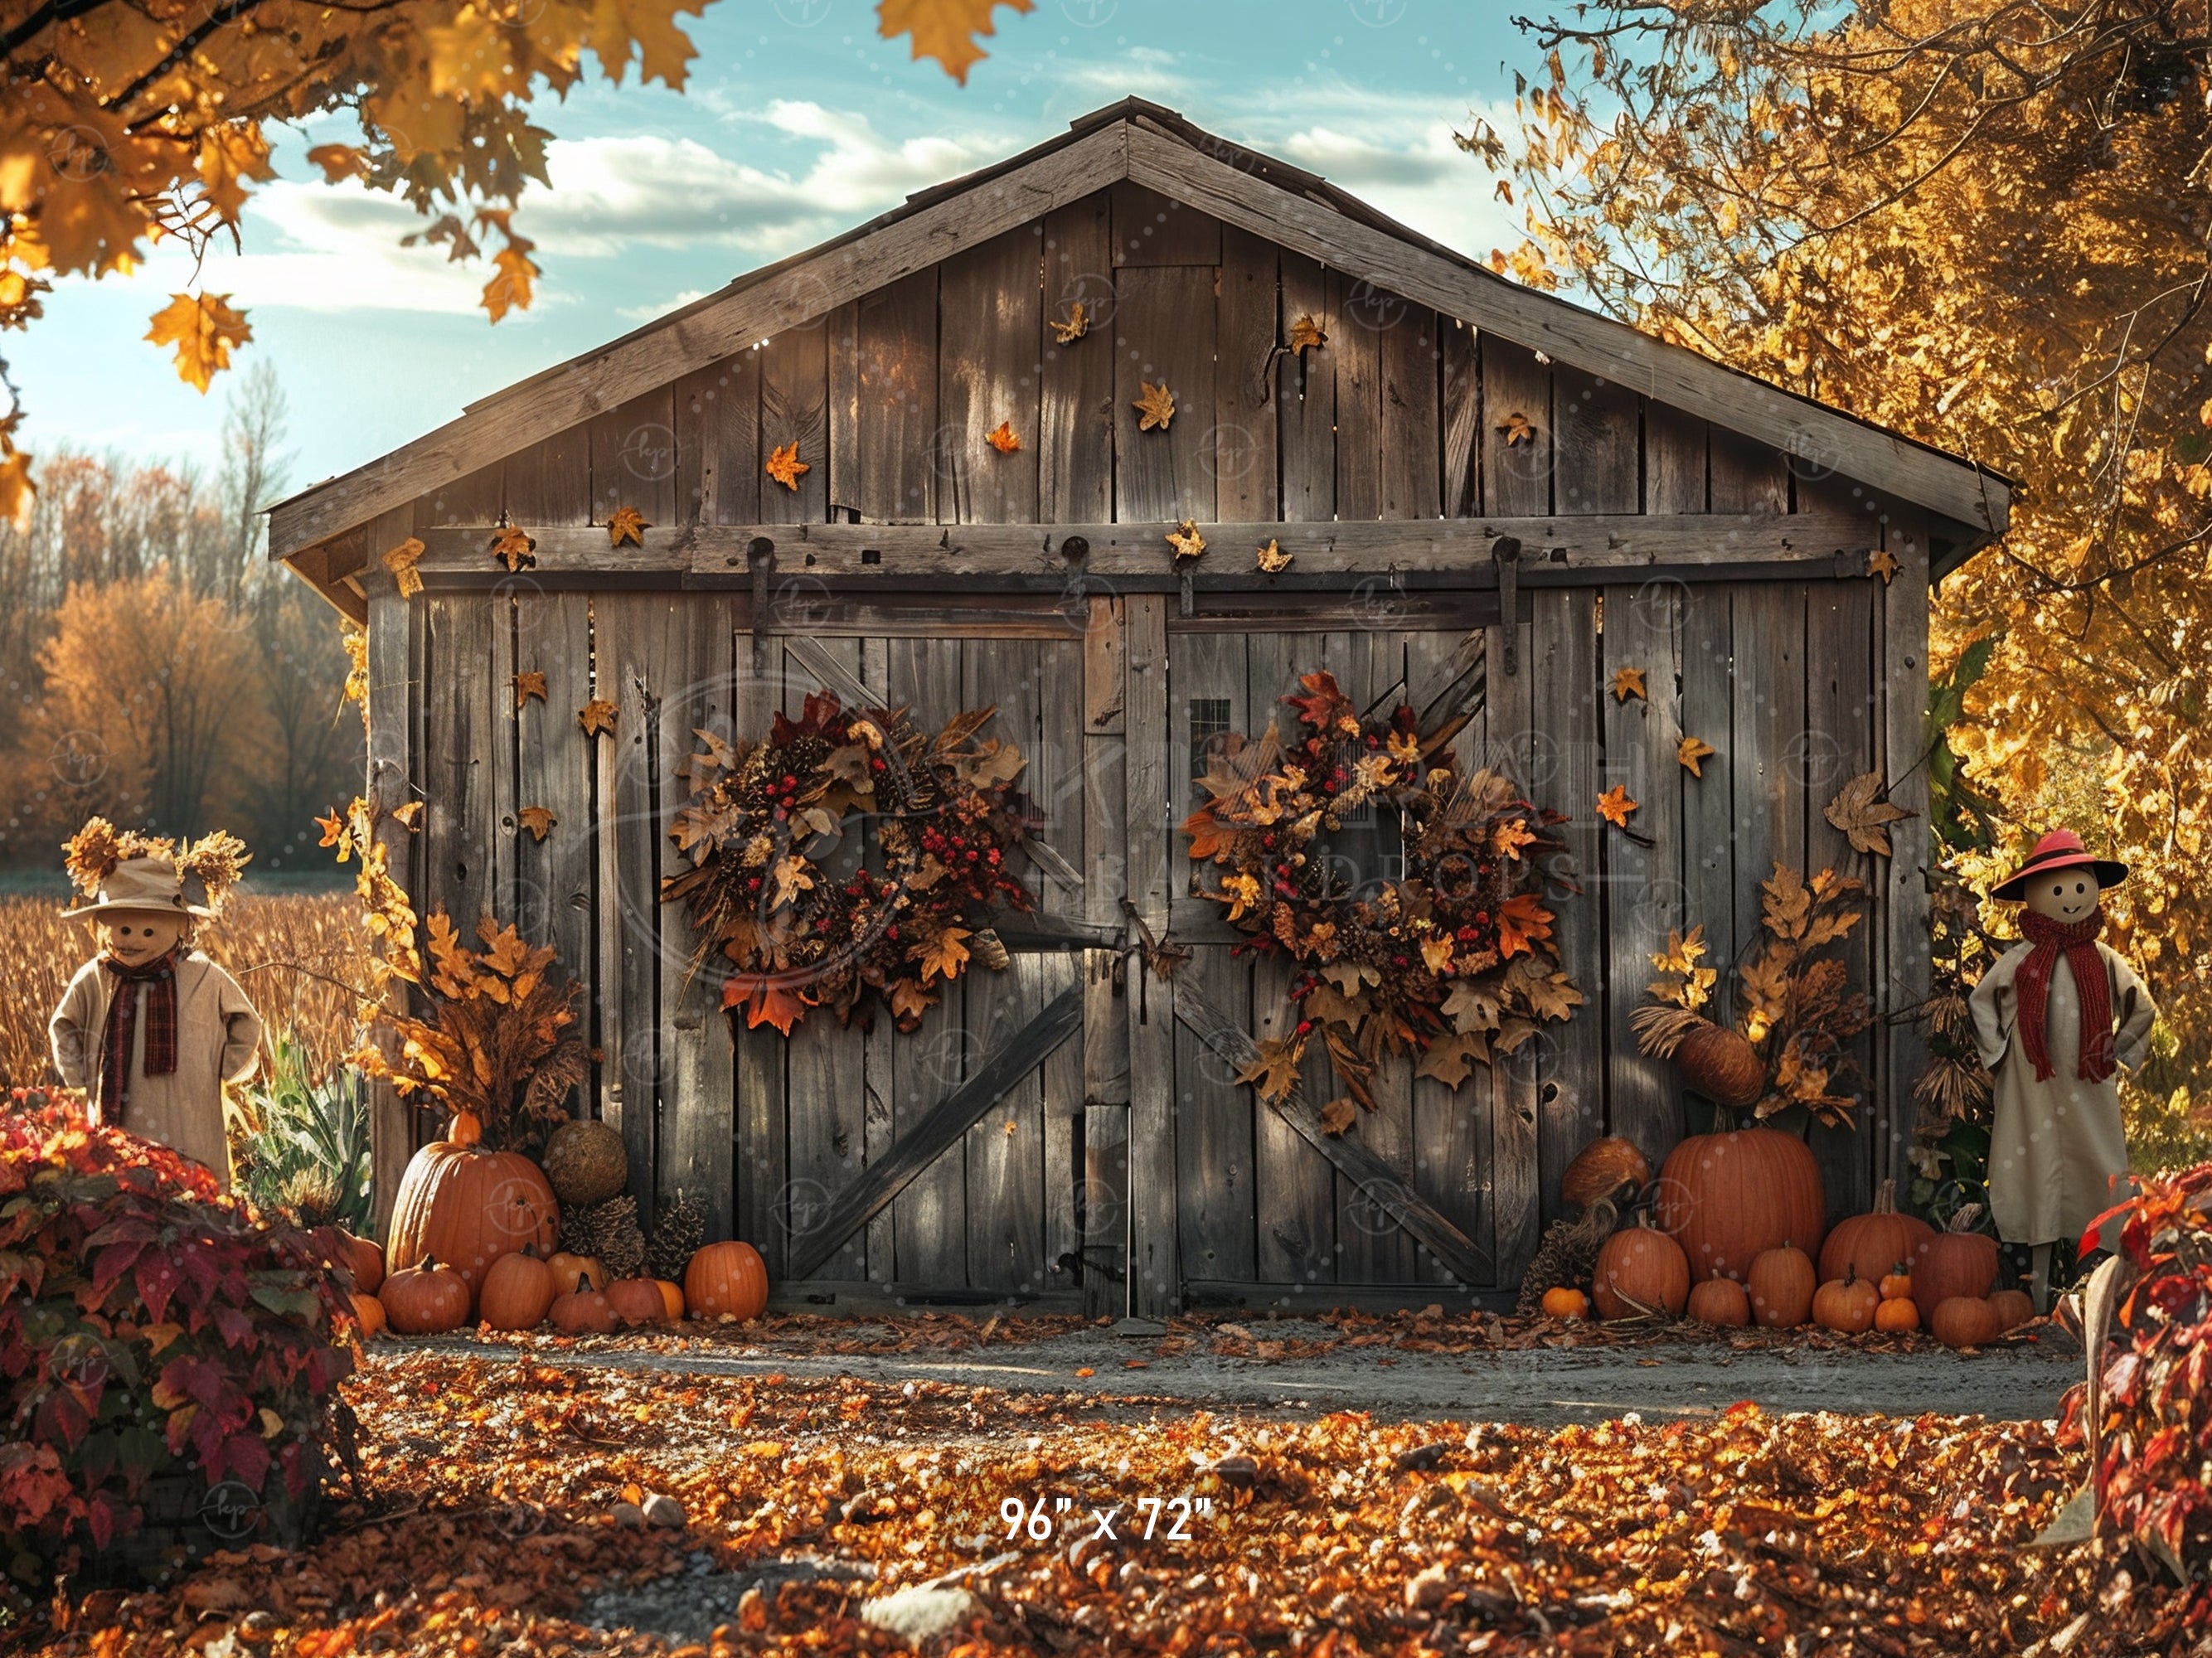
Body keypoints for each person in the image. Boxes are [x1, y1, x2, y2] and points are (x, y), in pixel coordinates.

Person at [1969, 828, 2157, 1309]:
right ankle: (2032, 1286)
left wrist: (2118, 1050)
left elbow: (2143, 1006)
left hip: (2090, 1083)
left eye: (2078, 887)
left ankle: (2099, 1279)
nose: (2070, 899)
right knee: (2030, 1167)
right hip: (2031, 1082)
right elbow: (1982, 1002)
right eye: (2057, 890)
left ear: (2092, 888)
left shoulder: (2103, 959)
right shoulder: (2019, 962)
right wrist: (2000, 1053)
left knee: (2098, 1165)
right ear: (2034, 896)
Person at [47, 821, 262, 1190]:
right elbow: (64, 1024)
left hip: (191, 1111)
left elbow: (246, 1021)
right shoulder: (97, 977)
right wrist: (80, 1074)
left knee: (195, 1190)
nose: (132, 941)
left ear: (180, 927)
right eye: (123, 930)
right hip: (119, 1113)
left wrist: (224, 1067)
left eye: (148, 931)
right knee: (123, 1191)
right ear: (104, 926)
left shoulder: (202, 975)